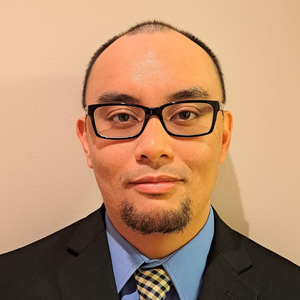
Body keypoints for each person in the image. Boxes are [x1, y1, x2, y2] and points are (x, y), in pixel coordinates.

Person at [0, 20, 299, 300]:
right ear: (87, 141)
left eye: (185, 114)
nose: (154, 147)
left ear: (223, 137)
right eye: (121, 116)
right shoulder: (10, 283)